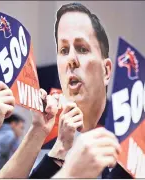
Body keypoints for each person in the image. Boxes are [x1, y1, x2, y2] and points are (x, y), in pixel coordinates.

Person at [29, 2, 132, 179]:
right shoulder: (52, 144)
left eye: (82, 49)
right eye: (63, 50)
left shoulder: (118, 153)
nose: (71, 60)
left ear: (106, 70)